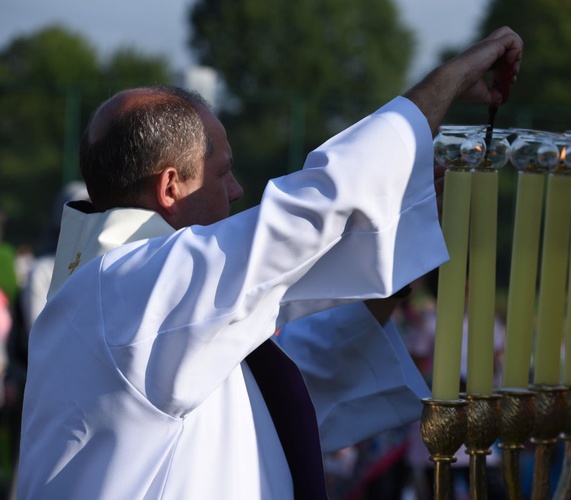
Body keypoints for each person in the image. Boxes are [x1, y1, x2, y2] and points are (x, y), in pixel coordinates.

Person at [18, 27, 524, 499]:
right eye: (224, 172)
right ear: (171, 186)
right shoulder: (128, 286)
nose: (237, 191)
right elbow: (316, 207)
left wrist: (395, 262)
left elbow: (280, 389)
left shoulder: (126, 295)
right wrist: (445, 84)